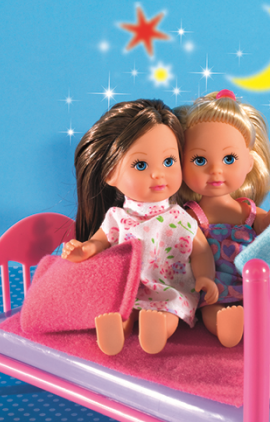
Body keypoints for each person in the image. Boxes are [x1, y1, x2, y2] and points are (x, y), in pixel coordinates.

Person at [61, 99, 218, 355]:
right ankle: (116, 331)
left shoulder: (181, 217)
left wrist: (205, 277)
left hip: (169, 288)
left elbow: (200, 251)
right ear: (110, 174)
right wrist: (84, 250)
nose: (158, 173)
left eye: (169, 161)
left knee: (170, 312)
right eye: (141, 165)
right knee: (122, 309)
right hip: (127, 288)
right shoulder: (117, 217)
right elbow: (99, 241)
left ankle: (158, 330)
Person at [175, 89, 270, 347]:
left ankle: (265, 322)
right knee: (212, 312)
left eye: (229, 159)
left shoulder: (248, 211)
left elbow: (268, 228)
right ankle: (227, 326)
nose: (215, 170)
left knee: (263, 302)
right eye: (200, 160)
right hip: (214, 288)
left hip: (252, 283)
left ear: (249, 163)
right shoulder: (191, 215)